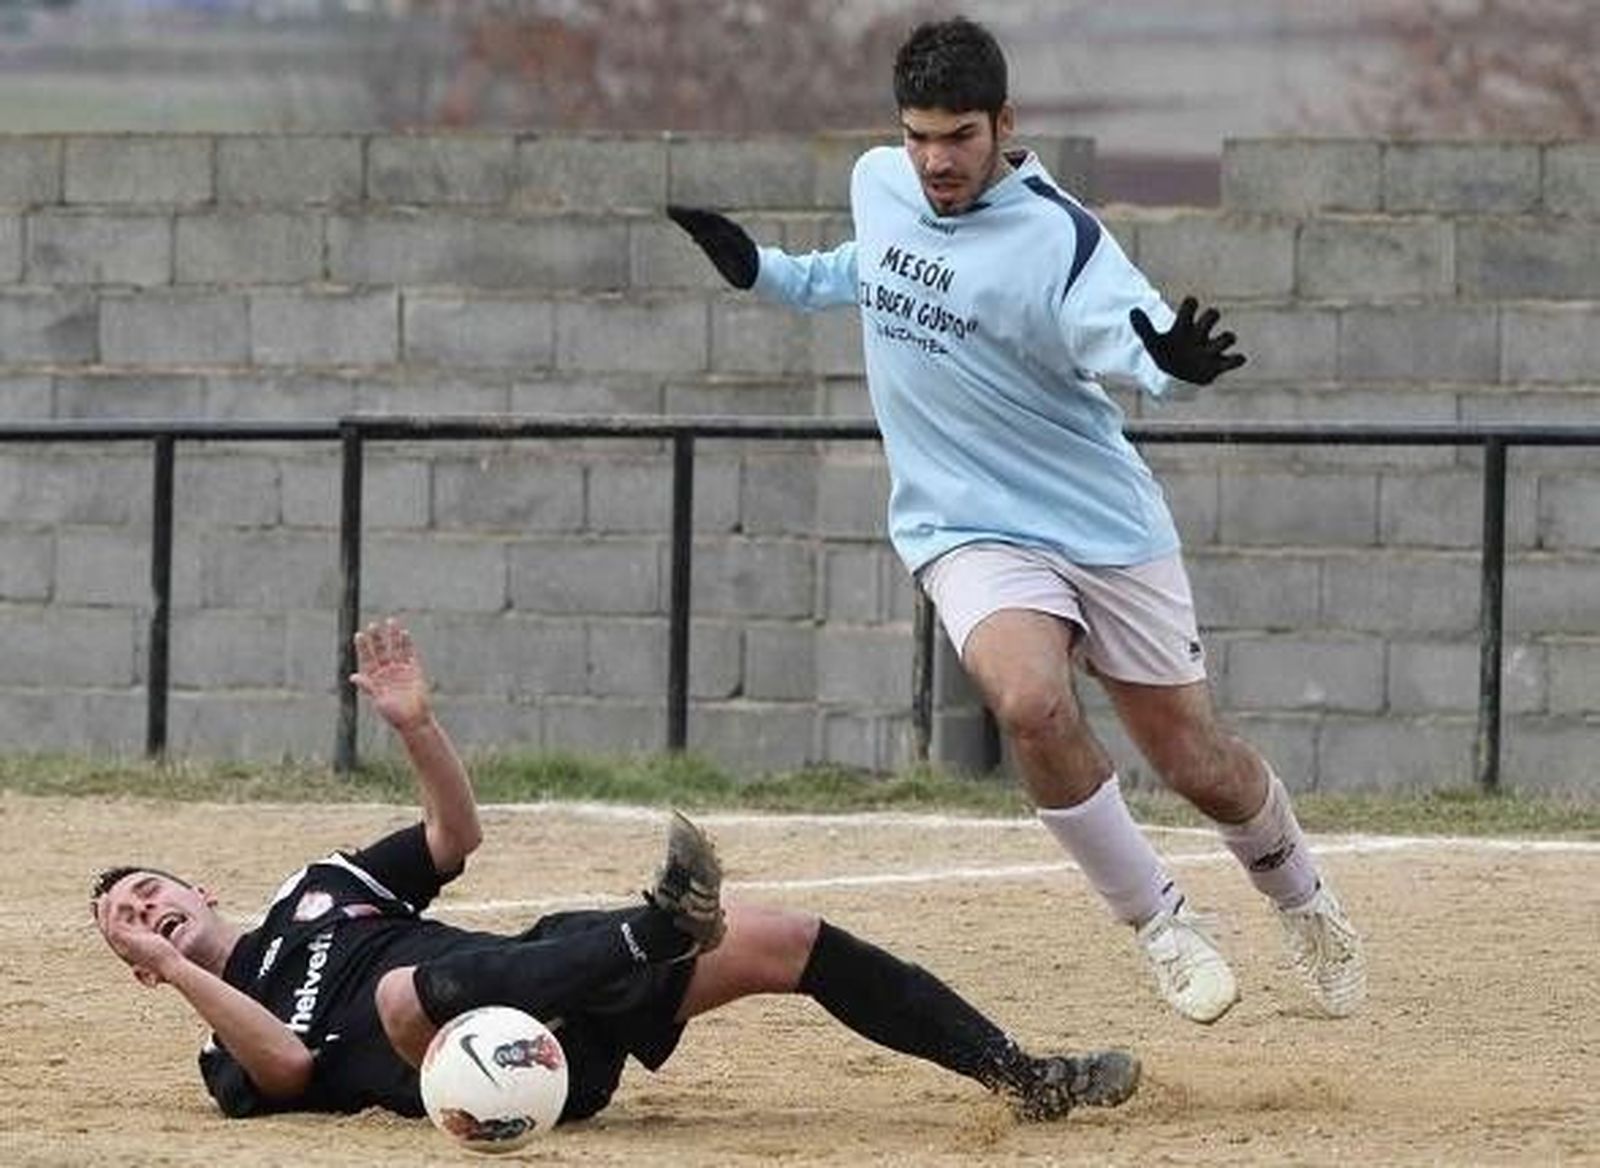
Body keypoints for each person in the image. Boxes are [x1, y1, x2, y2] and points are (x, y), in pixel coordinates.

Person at [667, 15, 1364, 1026]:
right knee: (1029, 703)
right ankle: (1161, 922)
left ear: (1003, 124)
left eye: (957, 136)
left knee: (1195, 764)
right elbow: (857, 273)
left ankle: (1301, 896)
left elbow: (1132, 336)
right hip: (961, 525)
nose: (935, 160)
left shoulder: (1062, 239)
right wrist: (762, 271)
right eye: (918, 136)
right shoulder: (879, 183)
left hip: (1099, 521)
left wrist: (1167, 369)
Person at [92, 618, 1139, 1129]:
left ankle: (1024, 1075)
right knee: (407, 994)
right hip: (483, 1068)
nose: (146, 910)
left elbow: (454, 840)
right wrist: (183, 971)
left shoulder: (318, 889)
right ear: (144, 964)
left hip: (548, 978)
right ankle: (655, 930)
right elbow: (284, 1067)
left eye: (149, 891)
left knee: (790, 940)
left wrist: (418, 729)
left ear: (199, 889)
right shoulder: (226, 1048)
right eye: (128, 924)